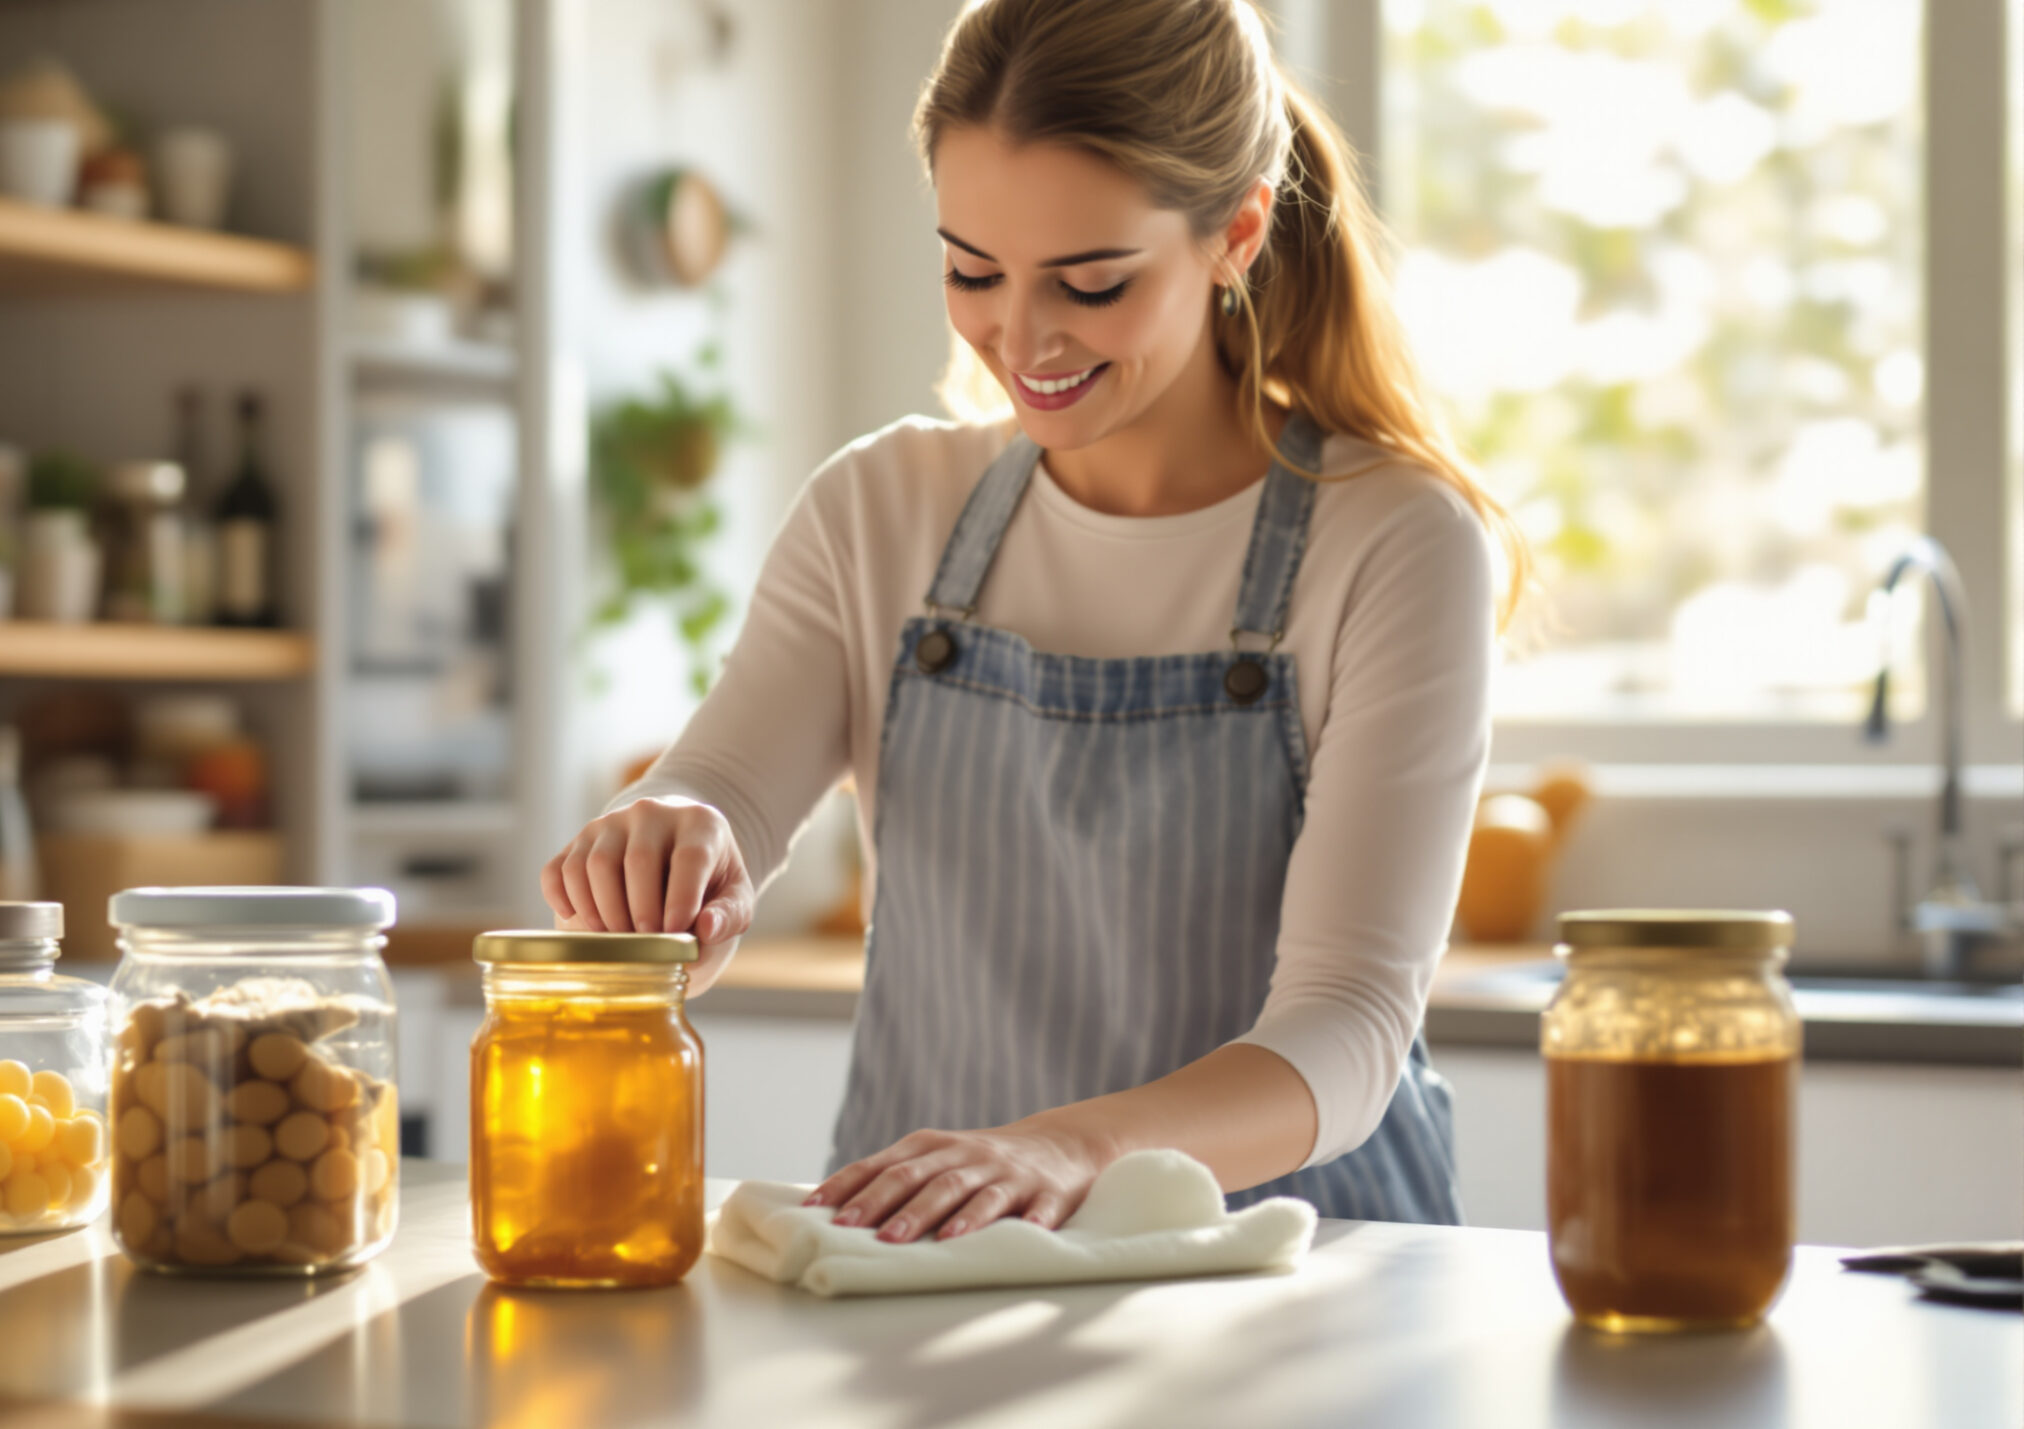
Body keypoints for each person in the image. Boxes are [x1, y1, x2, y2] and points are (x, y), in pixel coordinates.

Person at [542, 0, 1524, 1243]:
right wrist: (676, 840)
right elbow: (728, 785)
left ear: (1236, 232)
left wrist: (1071, 1149)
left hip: (1295, 1277)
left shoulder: (1391, 538)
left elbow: (1348, 1021)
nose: (1021, 337)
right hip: (932, 1274)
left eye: (1091, 282)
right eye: (972, 271)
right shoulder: (881, 508)